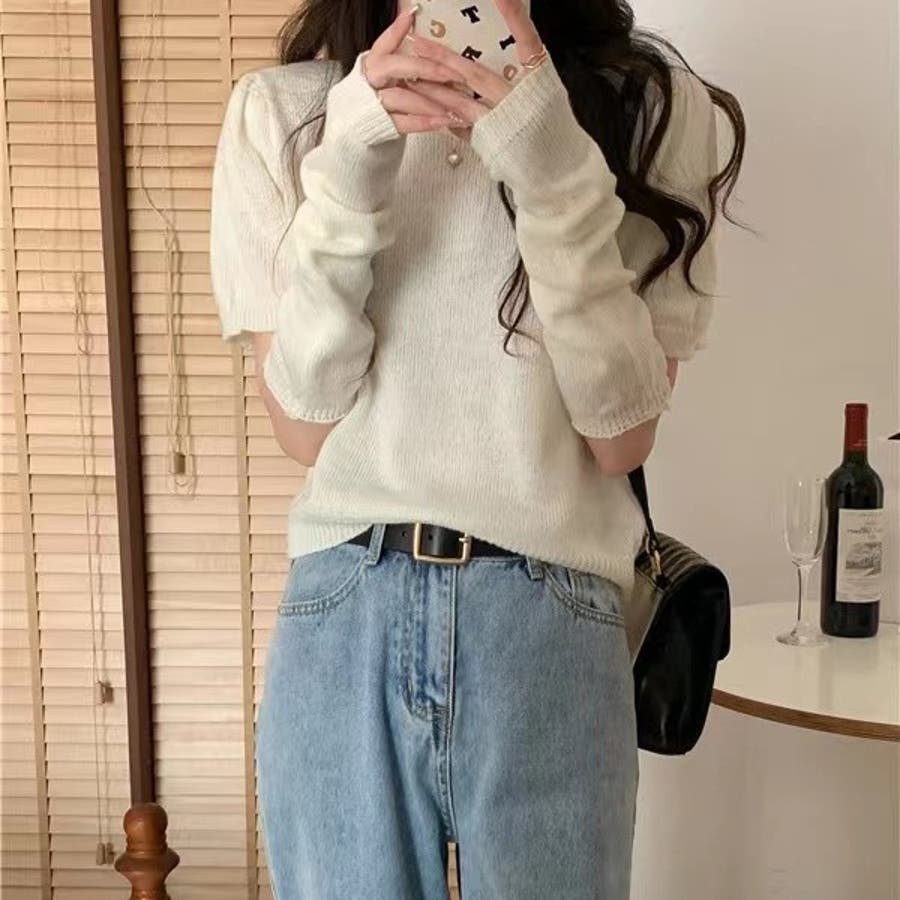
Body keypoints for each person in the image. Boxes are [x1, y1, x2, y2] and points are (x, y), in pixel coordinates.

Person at [209, 0, 745, 896]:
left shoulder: (648, 108)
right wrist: (350, 160)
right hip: (345, 611)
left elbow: (621, 436)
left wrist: (548, 156)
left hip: (550, 614)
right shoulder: (287, 109)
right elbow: (303, 424)